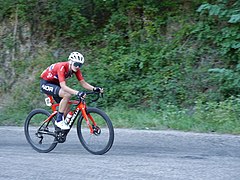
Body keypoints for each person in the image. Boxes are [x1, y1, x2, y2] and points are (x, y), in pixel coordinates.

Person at [40, 52, 103, 130]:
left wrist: (94, 88)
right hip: (46, 83)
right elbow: (63, 86)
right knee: (67, 95)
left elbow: (83, 83)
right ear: (70, 61)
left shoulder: (76, 69)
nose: (77, 66)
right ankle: (59, 121)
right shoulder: (62, 67)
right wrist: (77, 92)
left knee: (67, 108)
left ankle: (59, 131)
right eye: (76, 64)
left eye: (80, 65)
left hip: (56, 84)